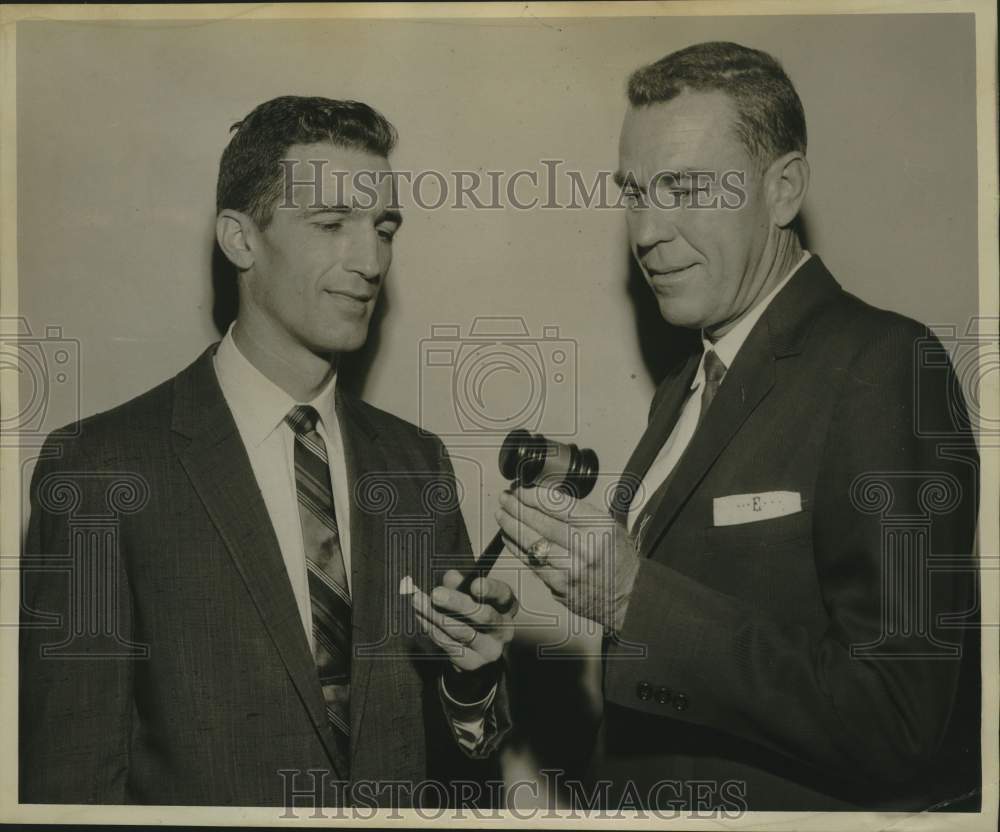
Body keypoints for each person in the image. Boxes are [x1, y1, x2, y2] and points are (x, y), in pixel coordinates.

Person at [497, 42, 980, 811]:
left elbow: (902, 718)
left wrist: (634, 601)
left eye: (685, 187)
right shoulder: (682, 388)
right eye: (635, 191)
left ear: (783, 188)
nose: (647, 231)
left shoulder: (885, 364)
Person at [21, 96, 516, 808]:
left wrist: (473, 682)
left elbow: (469, 772)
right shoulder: (99, 469)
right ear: (240, 239)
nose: (371, 259)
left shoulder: (418, 465)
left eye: (383, 227)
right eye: (331, 223)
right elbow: (70, 779)